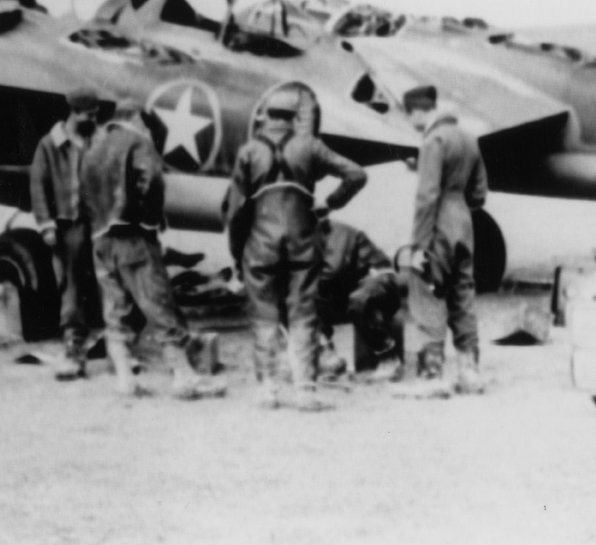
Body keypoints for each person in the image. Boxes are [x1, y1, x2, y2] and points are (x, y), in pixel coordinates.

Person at [224, 86, 367, 411]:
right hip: (303, 240)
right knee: (303, 311)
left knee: (264, 314)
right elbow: (356, 174)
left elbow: (234, 212)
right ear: (294, 117)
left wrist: (236, 253)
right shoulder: (310, 145)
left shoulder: (249, 151)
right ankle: (305, 390)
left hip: (260, 244)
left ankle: (269, 390)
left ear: (265, 115)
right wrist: (329, 204)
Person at [81, 99, 223, 399]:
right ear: (135, 118)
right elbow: (153, 179)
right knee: (159, 306)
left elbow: (82, 195)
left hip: (100, 241)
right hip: (133, 238)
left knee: (115, 312)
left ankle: (125, 381)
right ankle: (184, 378)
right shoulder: (137, 141)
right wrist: (148, 221)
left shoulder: (91, 149)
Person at [394, 84, 488, 399]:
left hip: (438, 225)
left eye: (410, 117)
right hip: (464, 222)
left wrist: (419, 246)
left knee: (427, 290)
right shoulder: (469, 138)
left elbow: (426, 197)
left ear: (418, 111)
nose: (412, 123)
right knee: (463, 293)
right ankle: (469, 372)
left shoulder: (433, 140)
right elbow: (479, 194)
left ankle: (432, 374)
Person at [29, 86, 103, 380]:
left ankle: (117, 343)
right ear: (74, 112)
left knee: (107, 282)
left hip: (97, 227)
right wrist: (46, 224)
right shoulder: (49, 145)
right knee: (70, 287)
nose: (94, 120)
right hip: (66, 227)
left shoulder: (98, 142)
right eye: (89, 115)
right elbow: (38, 186)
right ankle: (73, 347)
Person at [313, 218, 403, 381]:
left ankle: (388, 357)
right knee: (298, 298)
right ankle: (326, 355)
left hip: (376, 280)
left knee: (360, 299)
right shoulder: (300, 237)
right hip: (342, 287)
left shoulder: (339, 233)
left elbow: (334, 269)